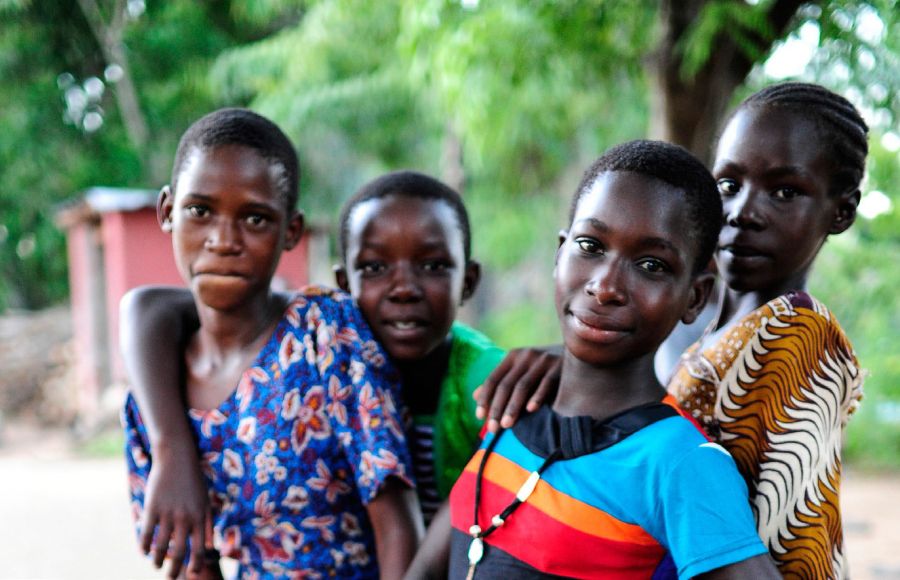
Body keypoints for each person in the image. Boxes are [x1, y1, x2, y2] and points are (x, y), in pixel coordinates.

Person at [120, 168, 560, 575]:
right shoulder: (323, 352)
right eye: (374, 268)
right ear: (343, 285)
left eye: (432, 266)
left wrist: (562, 355)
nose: (404, 288)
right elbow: (148, 306)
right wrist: (171, 449)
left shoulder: (481, 377)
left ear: (468, 281)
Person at [407, 140, 780, 579]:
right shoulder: (519, 402)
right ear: (559, 253)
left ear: (694, 296)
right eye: (590, 245)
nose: (605, 286)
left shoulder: (679, 463)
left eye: (651, 265)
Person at [121, 108, 422, 579]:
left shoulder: (322, 335)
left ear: (291, 231)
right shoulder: (152, 397)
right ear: (167, 212)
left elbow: (398, 525)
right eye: (199, 211)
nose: (223, 240)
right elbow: (190, 563)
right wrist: (172, 454)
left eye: (256, 218)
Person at [666, 82, 868, 579]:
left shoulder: (794, 334)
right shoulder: (697, 316)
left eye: (784, 192)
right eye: (729, 185)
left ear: (840, 211)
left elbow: (798, 541)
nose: (743, 213)